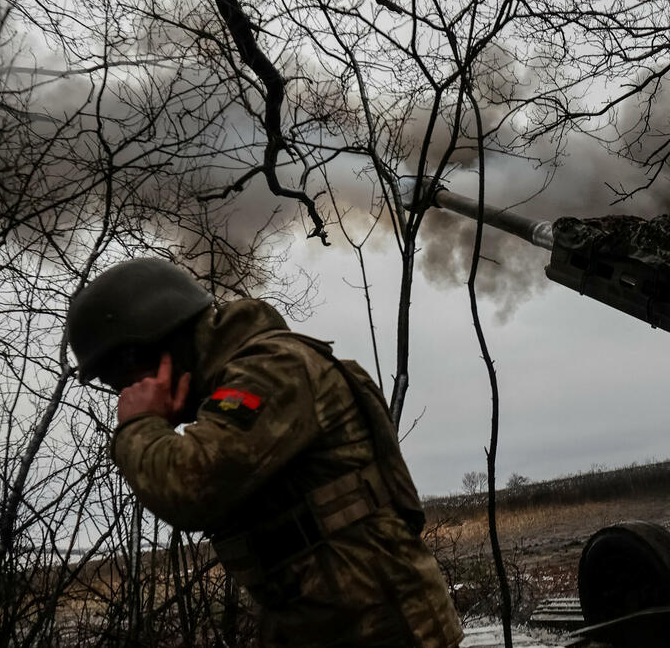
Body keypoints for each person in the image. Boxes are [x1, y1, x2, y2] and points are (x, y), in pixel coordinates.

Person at [66, 258, 464, 648]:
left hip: (380, 624)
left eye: (121, 380)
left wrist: (139, 425)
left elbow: (189, 487)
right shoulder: (235, 383)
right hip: (332, 620)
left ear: (150, 346)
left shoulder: (272, 369)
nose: (125, 395)